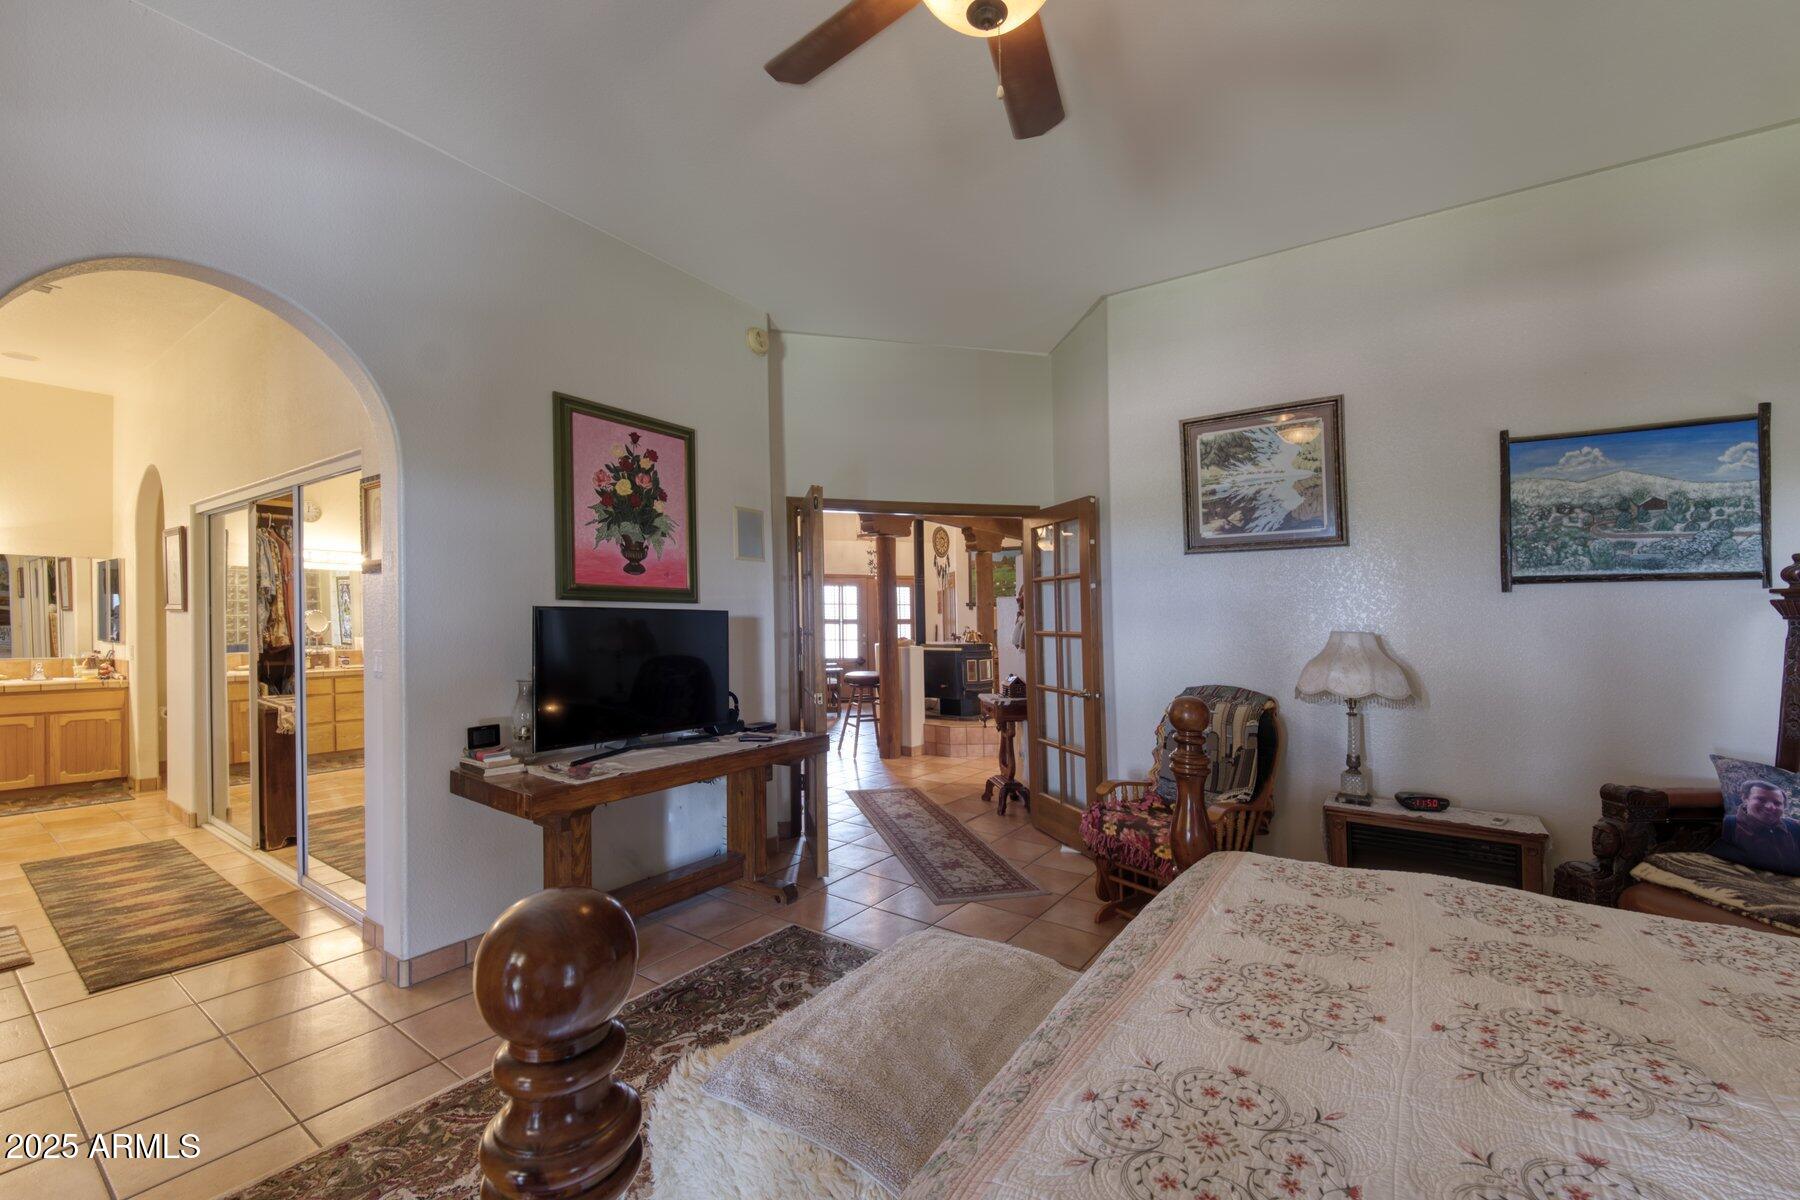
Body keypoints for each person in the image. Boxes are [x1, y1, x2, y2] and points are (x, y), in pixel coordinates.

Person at [1719, 780, 1800, 873]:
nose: (1770, 806)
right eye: (1761, 799)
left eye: (1777, 803)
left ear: (1784, 807)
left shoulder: (1795, 828)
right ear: (1745, 799)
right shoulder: (1726, 826)